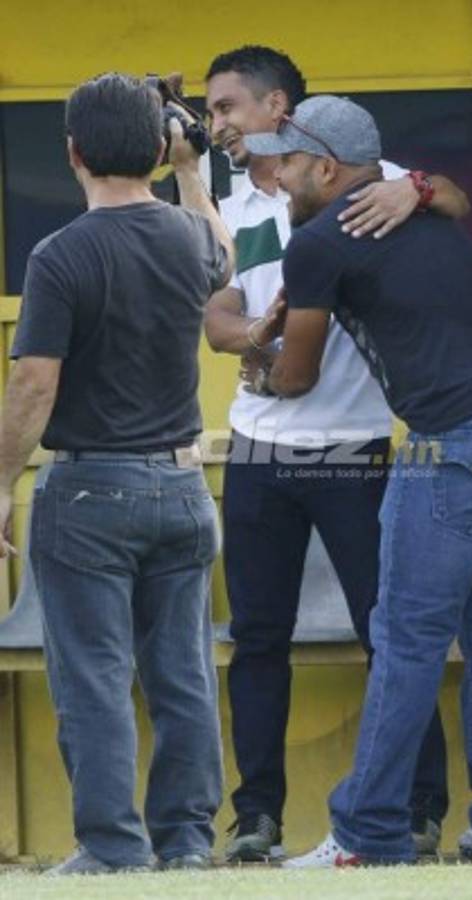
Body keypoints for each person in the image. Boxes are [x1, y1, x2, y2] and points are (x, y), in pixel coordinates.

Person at [242, 94, 472, 866]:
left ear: (325, 166)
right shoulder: (414, 203)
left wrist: (258, 359)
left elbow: (296, 377)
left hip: (459, 439)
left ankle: (366, 833)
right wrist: (416, 187)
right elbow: (446, 200)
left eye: (286, 161)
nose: (277, 175)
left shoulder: (318, 241)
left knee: (406, 637)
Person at [204, 45, 469, 862]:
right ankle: (257, 821)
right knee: (256, 640)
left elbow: (455, 201)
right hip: (255, 451)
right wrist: (246, 335)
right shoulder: (233, 201)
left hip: (352, 450)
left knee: (386, 632)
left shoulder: (361, 170)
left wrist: (416, 186)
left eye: (226, 109)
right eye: (211, 113)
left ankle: (419, 812)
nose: (215, 126)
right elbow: (215, 306)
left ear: (276, 107)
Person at [0, 73, 234, 875]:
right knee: (183, 675)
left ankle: (111, 847)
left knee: (95, 679)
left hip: (88, 492)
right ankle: (187, 844)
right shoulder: (188, 237)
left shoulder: (61, 255)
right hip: (181, 489)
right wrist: (193, 170)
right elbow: (224, 257)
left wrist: (0, 483)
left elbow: (34, 383)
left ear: (72, 153)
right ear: (158, 148)